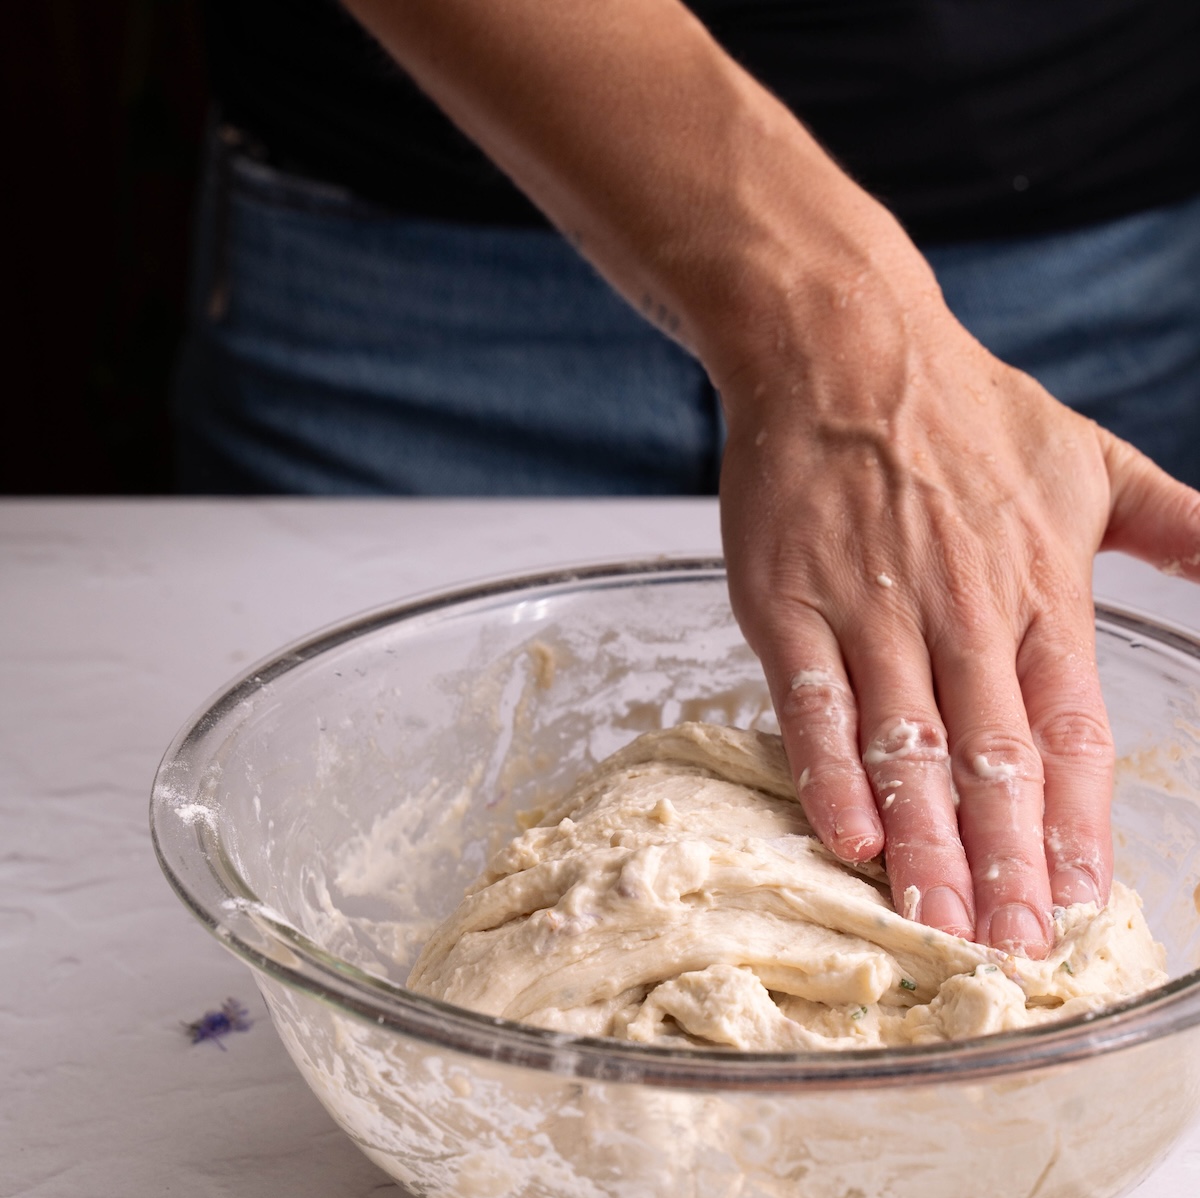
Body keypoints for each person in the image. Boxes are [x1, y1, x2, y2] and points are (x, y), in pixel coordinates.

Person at [177, 0, 1200, 962]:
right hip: (414, 247)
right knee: (346, 770)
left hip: (1087, 238)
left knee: (1030, 792)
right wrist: (836, 327)